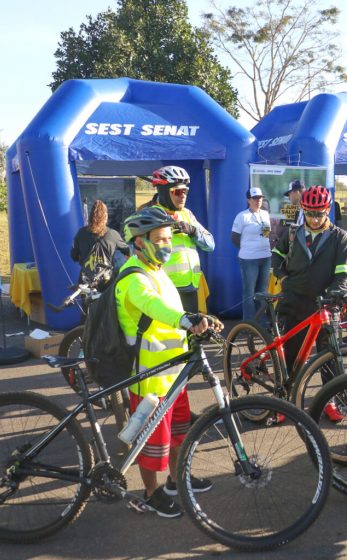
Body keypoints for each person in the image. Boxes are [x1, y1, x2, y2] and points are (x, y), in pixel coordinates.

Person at [117, 207, 223, 518]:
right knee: (151, 443)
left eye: (168, 239)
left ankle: (177, 480)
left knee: (179, 432)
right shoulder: (134, 278)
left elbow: (168, 310)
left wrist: (196, 319)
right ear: (139, 243)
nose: (167, 245)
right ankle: (150, 493)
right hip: (149, 379)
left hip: (173, 371)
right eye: (160, 240)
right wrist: (185, 319)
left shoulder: (156, 270)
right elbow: (155, 306)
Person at [271, 186, 347, 406]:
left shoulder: (339, 238)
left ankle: (330, 402)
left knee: (329, 357)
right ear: (303, 211)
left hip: (326, 306)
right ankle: (287, 401)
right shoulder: (292, 233)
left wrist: (335, 293)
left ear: (328, 210)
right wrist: (283, 277)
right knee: (292, 356)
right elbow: (277, 255)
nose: (314, 219)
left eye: (319, 213)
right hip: (295, 301)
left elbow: (343, 273)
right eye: (309, 213)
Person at [150, 166, 215, 313]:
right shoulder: (151, 215)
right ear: (164, 192)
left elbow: (210, 245)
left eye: (185, 191)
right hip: (166, 287)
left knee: (189, 333)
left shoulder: (187, 214)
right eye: (178, 192)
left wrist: (193, 231)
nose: (183, 196)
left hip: (190, 285)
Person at [231, 187, 272, 322]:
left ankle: (262, 322)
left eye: (260, 198)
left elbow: (266, 233)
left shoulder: (265, 214)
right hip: (249, 259)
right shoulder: (242, 216)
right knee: (249, 292)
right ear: (248, 200)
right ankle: (249, 324)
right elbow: (235, 238)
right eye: (254, 198)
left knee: (262, 291)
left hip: (265, 256)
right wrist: (248, 249)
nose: (258, 201)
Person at [70, 199, 130, 291]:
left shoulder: (81, 233)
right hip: (106, 282)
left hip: (85, 281)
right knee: (106, 305)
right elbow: (128, 251)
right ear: (105, 217)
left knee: (86, 304)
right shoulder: (113, 234)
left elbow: (73, 256)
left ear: (90, 216)